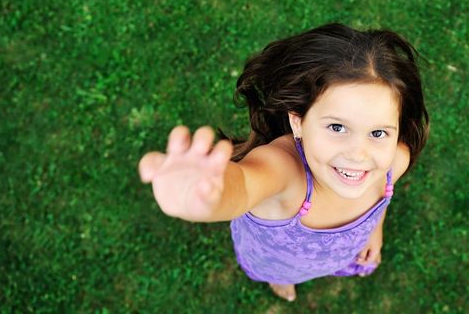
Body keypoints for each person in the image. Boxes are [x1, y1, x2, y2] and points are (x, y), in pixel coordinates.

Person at [138, 23, 429, 302]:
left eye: (378, 133)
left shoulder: (394, 161)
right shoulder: (285, 171)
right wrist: (208, 198)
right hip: (274, 259)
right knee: (280, 272)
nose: (358, 154)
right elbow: (244, 185)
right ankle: (279, 279)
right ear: (298, 122)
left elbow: (382, 198)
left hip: (338, 254)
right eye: (337, 128)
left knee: (317, 268)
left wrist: (374, 228)